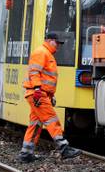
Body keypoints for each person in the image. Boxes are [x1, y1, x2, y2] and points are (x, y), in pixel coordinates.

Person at [17, 33, 81, 162]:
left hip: (39, 94)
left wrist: (50, 95)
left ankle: (26, 154)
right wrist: (37, 89)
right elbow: (34, 72)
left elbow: (46, 79)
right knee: (52, 120)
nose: (58, 46)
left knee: (35, 124)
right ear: (49, 40)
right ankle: (64, 148)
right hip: (37, 94)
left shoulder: (47, 54)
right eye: (56, 43)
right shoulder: (41, 52)